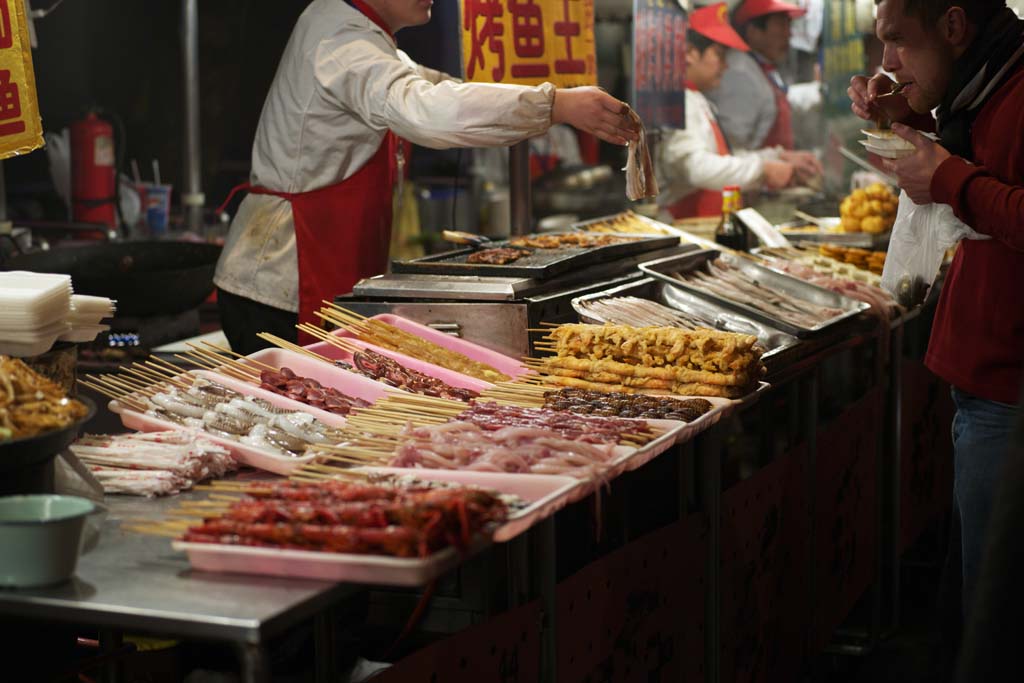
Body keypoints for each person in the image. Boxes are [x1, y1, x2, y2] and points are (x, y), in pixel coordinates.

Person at [213, 0, 639, 354]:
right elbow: (426, 110)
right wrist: (554, 104)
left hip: (319, 268)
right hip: (279, 285)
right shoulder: (339, 37)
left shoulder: (371, 42)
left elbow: (438, 87)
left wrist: (540, 101)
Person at [848, 0, 1024, 620]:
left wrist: (949, 179)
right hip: (984, 380)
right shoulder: (989, 76)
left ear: (952, 27)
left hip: (1010, 392)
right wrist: (907, 111)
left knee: (994, 614)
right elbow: (977, 146)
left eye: (898, 42)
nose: (886, 64)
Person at [657, 2, 806, 219]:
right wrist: (762, 170)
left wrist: (775, 156)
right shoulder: (681, 102)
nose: (725, 67)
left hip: (705, 217)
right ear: (689, 54)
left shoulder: (696, 99)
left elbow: (724, 155)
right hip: (685, 221)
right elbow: (696, 167)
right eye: (719, 56)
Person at [706, 0, 809, 152]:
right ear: (753, 32)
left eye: (789, 25)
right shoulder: (739, 72)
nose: (789, 34)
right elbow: (733, 145)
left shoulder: (762, 66)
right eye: (781, 26)